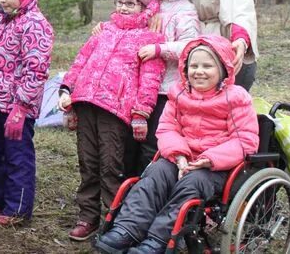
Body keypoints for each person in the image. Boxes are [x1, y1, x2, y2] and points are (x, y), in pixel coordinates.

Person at [96, 35, 260, 254]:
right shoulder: (178, 93)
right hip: (180, 156)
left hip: (216, 166)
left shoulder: (236, 98)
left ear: (223, 69)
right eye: (194, 65)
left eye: (207, 66)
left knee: (191, 184)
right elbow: (166, 128)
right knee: (154, 175)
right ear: (185, 68)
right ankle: (127, 228)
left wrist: (208, 160)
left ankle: (158, 239)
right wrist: (179, 155)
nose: (199, 71)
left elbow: (245, 141)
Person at [58, 0, 166, 242]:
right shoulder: (103, 31)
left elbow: (150, 80)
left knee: (110, 165)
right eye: (121, 2)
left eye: (132, 3)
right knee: (88, 163)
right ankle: (87, 216)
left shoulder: (150, 39)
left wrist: (141, 112)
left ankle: (114, 219)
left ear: (144, 7)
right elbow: (81, 61)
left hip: (115, 111)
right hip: (85, 104)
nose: (125, 7)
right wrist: (66, 89)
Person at [0, 0, 54, 226]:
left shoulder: (35, 24)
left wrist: (21, 107)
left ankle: (17, 208)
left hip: (16, 107)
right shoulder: (1, 20)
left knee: (16, 156)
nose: (4, 0)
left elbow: (36, 69)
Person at [132, 0, 200, 173]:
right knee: (130, 141)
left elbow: (191, 46)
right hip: (136, 86)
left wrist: (159, 49)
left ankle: (147, 188)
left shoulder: (185, 10)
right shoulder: (143, 3)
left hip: (165, 88)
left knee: (152, 141)